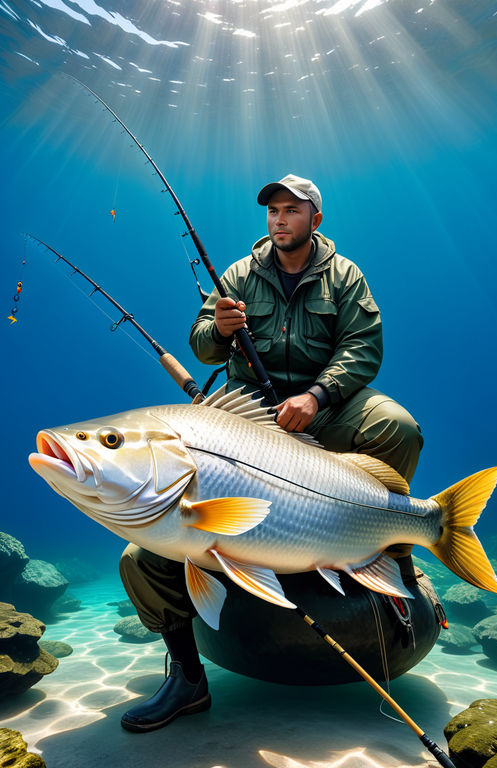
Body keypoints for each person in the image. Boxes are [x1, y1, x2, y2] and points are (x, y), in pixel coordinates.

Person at [119, 173, 423, 733]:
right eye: (272, 210)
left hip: (324, 408)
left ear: (315, 219)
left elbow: (363, 348)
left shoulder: (345, 276)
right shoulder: (238, 273)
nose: (279, 219)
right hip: (251, 420)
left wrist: (317, 394)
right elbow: (200, 340)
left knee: (397, 427)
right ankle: (186, 679)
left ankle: (390, 547)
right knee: (140, 559)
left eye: (291, 209)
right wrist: (218, 330)